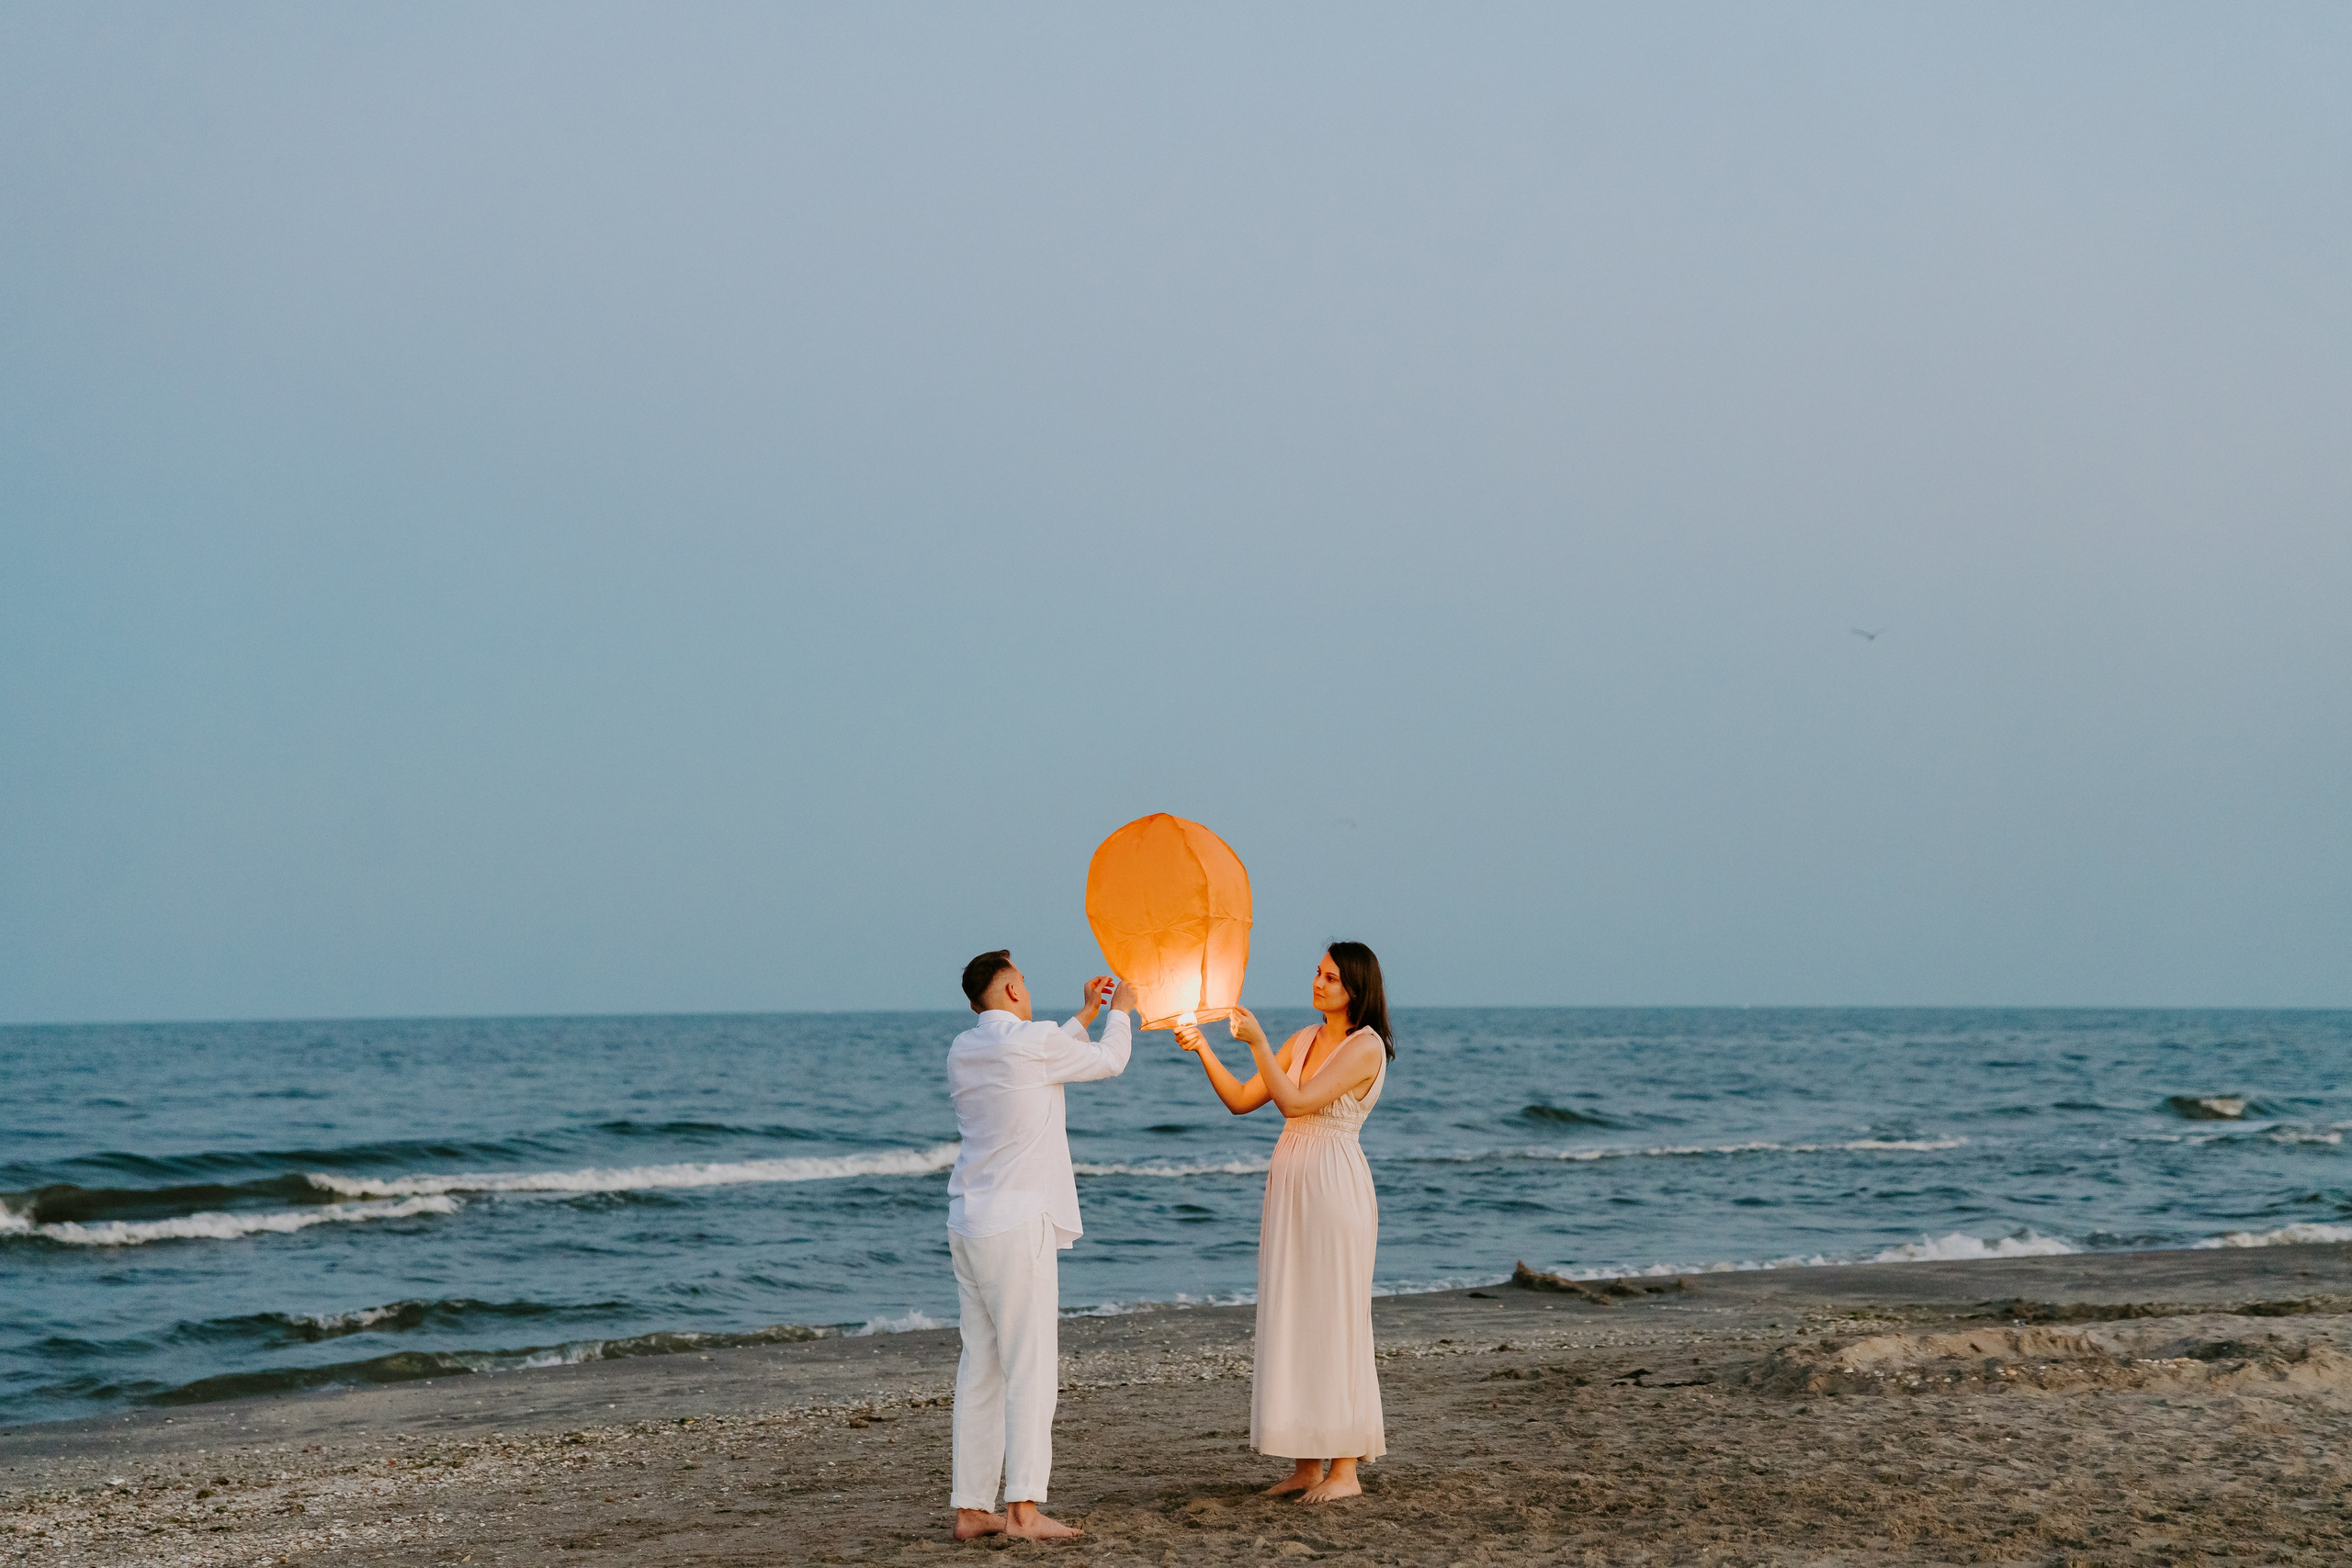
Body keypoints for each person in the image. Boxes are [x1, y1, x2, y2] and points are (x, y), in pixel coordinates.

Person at [1173, 941, 1393, 1504]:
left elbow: (1296, 1101)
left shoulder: (1365, 1047)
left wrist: (1260, 1043)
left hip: (1334, 1186)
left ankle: (1346, 1469)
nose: (1319, 982)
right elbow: (1244, 1100)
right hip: (1291, 1184)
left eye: (1332, 977)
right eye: (1317, 972)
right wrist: (1202, 1048)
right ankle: (1306, 1464)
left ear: (1356, 989)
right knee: (1295, 1313)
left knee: (1337, 1317)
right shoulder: (1303, 1039)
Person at [944, 949, 1135, 1542]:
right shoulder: (1033, 1042)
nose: (1026, 988)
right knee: (1030, 1369)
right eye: (1021, 980)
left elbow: (1039, 1058)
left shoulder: (965, 1047)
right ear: (1010, 991)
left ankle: (973, 1508)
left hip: (969, 1221)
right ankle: (1023, 1510)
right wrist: (1119, 1012)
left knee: (982, 1368)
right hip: (1016, 1222)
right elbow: (1109, 1061)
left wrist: (1079, 1013)